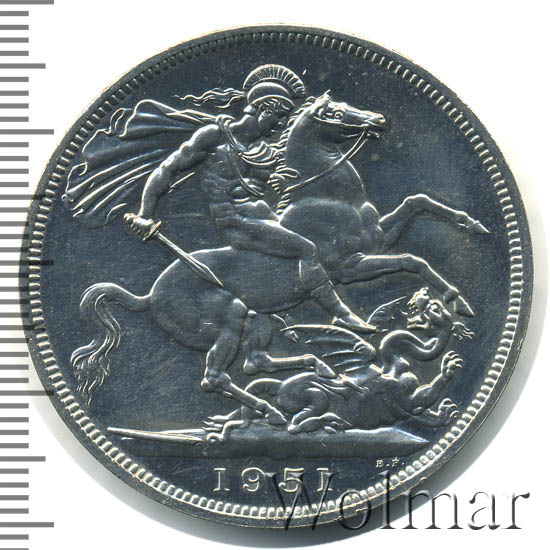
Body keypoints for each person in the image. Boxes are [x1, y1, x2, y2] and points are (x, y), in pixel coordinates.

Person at [127, 65, 374, 333]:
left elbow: (265, 188)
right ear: (265, 108)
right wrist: (145, 214)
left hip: (266, 219)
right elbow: (167, 170)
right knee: (307, 249)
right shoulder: (215, 137)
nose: (281, 124)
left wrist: (281, 183)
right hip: (237, 223)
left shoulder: (264, 150)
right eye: (279, 116)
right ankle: (340, 314)